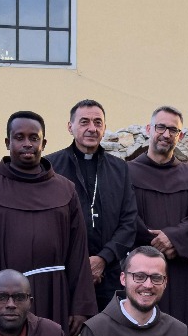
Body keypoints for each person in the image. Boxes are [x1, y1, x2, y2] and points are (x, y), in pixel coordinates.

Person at [0, 111, 98, 336]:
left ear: (44, 143)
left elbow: (78, 252)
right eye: (19, 137)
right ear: (7, 142)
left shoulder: (65, 190)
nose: (27, 144)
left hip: (52, 294)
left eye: (34, 138)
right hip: (2, 299)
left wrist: (80, 305)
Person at [127, 105, 188, 336]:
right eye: (160, 127)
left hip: (178, 269)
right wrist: (154, 246)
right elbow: (126, 215)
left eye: (173, 130)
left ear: (180, 136)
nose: (166, 134)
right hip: (141, 270)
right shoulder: (127, 172)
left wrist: (172, 238)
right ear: (149, 129)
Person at [49, 99, 139, 312]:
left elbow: (129, 222)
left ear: (104, 128)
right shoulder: (51, 167)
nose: (92, 128)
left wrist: (103, 259)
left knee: (109, 331)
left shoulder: (120, 169)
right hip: (64, 272)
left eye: (98, 122)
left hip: (110, 274)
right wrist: (80, 264)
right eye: (84, 122)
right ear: (70, 127)